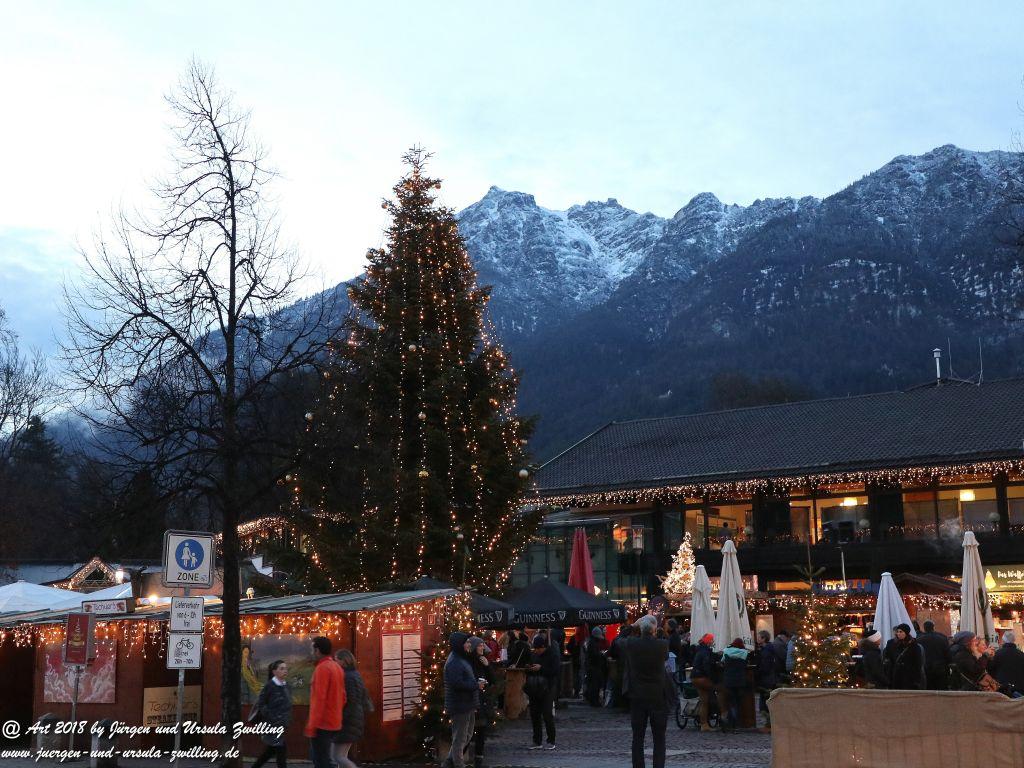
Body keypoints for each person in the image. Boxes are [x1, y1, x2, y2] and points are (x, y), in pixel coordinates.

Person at [626, 615, 671, 768]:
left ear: (640, 630)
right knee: (659, 738)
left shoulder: (632, 644)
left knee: (637, 737)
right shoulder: (662, 645)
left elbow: (622, 636)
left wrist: (634, 625)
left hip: (638, 696)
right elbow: (665, 651)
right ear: (654, 630)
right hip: (657, 695)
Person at [443, 632, 484, 768]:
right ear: (459, 645)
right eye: (466, 642)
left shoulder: (461, 658)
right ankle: (458, 764)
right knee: (460, 737)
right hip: (460, 704)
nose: (469, 645)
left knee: (467, 734)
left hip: (467, 703)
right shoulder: (454, 661)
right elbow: (457, 683)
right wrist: (475, 685)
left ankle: (449, 762)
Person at [304, 637, 345, 768]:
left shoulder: (322, 669)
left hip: (322, 724)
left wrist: (311, 726)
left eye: (312, 649)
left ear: (317, 650)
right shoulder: (336, 666)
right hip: (334, 722)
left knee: (321, 761)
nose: (311, 652)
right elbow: (343, 697)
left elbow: (318, 700)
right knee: (325, 760)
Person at [332, 649, 372, 768]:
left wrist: (341, 719)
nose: (335, 663)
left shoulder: (348, 677)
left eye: (336, 660)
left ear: (343, 661)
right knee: (342, 756)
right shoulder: (354, 674)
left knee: (338, 756)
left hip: (348, 721)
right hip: (354, 720)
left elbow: (351, 701)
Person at [250, 660, 292, 768]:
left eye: (285, 668)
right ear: (274, 671)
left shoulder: (286, 686)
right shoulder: (270, 686)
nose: (285, 671)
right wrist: (270, 716)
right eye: (281, 668)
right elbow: (261, 703)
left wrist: (286, 719)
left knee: (270, 751)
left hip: (281, 724)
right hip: (272, 725)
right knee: (280, 751)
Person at [524, 634, 559, 750]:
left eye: (539, 648)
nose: (537, 650)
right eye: (536, 648)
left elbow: (555, 671)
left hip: (547, 688)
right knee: (535, 715)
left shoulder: (552, 655)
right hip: (535, 688)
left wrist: (541, 668)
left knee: (547, 714)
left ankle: (551, 740)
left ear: (544, 647)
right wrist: (529, 668)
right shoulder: (533, 655)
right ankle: (537, 741)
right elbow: (528, 670)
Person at [467, 637, 496, 768]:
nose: (482, 648)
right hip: (472, 700)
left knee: (481, 730)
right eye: (480, 645)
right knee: (468, 731)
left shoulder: (483, 661)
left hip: (482, 700)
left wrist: (487, 666)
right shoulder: (468, 662)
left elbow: (492, 680)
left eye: (482, 645)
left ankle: (479, 758)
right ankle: (460, 758)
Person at [690, 633, 725, 732]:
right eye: (712, 640)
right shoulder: (705, 651)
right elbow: (707, 666)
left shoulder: (701, 649)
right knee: (721, 689)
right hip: (702, 678)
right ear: (708, 641)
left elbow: (709, 659)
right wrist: (713, 679)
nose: (713, 641)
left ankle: (704, 724)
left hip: (695, 677)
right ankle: (723, 714)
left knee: (704, 701)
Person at [883, 624, 926, 690]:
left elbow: (918, 663)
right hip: (895, 676)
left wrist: (917, 680)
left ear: (906, 632)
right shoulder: (891, 643)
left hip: (909, 677)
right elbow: (887, 657)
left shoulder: (913, 645)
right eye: (897, 632)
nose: (898, 633)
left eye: (901, 632)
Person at [721, 639, 749, 731]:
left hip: (728, 680)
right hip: (739, 681)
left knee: (730, 701)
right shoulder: (744, 653)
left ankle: (728, 720)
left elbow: (722, 662)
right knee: (737, 702)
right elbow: (746, 665)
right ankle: (735, 724)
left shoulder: (726, 651)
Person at [753, 631, 779, 732]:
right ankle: (768, 723)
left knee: (765, 701)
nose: (757, 639)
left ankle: (768, 724)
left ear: (763, 639)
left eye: (759, 637)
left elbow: (765, 666)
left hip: (766, 679)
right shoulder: (766, 649)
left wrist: (757, 672)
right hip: (768, 678)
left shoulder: (766, 651)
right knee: (765, 700)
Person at [915, 620, 952, 690]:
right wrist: (949, 663)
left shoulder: (919, 639)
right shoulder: (942, 637)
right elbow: (947, 653)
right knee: (941, 689)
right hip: (940, 668)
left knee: (928, 689)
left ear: (924, 628)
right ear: (933, 627)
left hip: (926, 668)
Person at [990, 631, 1024, 696]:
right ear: (1014, 640)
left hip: (1002, 689)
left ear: (1003, 641)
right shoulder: (1021, 654)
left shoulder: (997, 654)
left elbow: (991, 670)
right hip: (1020, 689)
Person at [583, 626, 608, 706]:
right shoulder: (593, 643)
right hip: (594, 667)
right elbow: (595, 655)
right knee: (595, 685)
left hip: (592, 666)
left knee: (594, 684)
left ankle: (593, 700)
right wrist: (602, 654)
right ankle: (594, 701)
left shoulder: (591, 642)